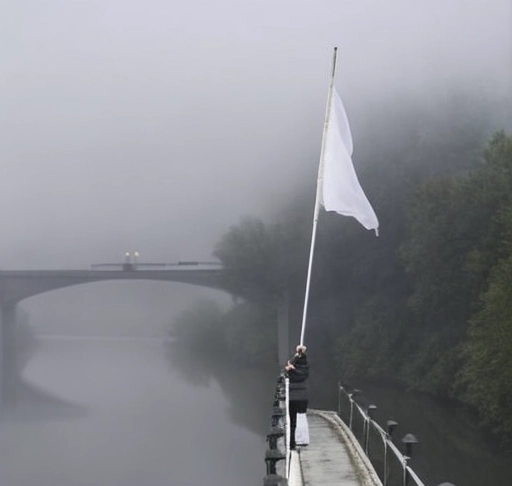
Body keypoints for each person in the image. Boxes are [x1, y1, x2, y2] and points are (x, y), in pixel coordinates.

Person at [285, 344, 309, 450]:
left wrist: (292, 366)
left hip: (293, 396)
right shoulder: (305, 367)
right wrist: (299, 354)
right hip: (302, 396)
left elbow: (291, 364)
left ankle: (292, 442)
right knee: (300, 418)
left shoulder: (292, 370)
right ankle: (299, 440)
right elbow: (302, 369)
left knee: (293, 420)